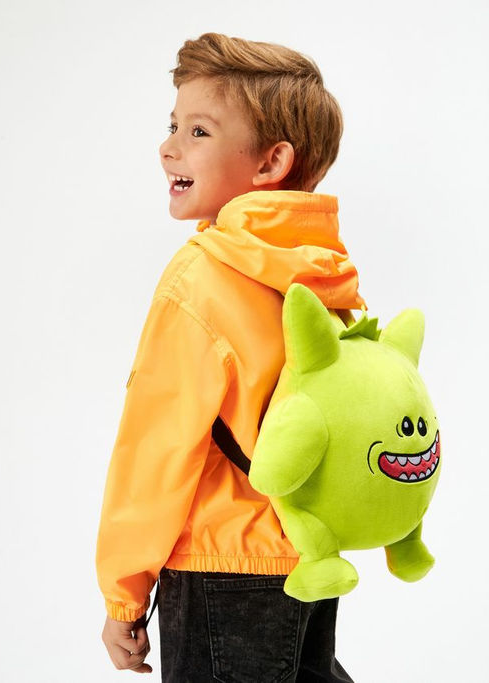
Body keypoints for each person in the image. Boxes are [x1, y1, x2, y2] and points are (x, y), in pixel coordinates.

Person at [96, 32, 366, 681]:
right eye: (172, 126)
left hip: (220, 567)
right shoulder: (322, 275)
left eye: (198, 131)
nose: (169, 147)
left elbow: (158, 447)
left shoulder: (200, 277)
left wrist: (124, 593)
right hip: (309, 558)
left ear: (271, 162)